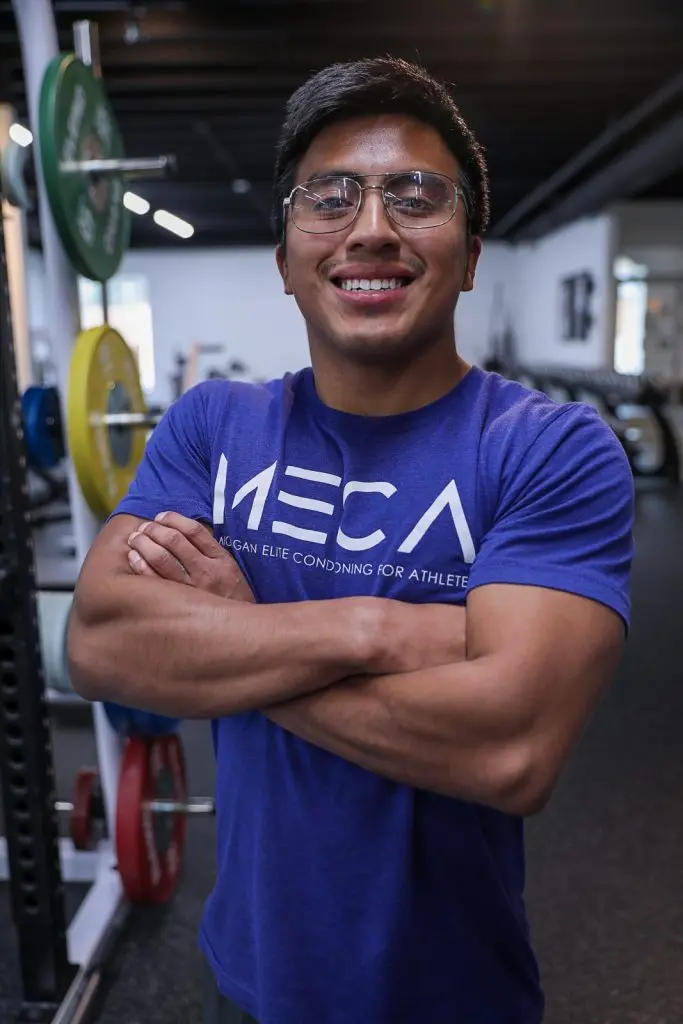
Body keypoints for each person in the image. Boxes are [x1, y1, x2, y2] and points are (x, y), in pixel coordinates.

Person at [67, 56, 634, 1024]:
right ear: (285, 257)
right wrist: (377, 628)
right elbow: (103, 643)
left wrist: (241, 631)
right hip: (243, 975)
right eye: (328, 198)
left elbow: (510, 750)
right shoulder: (213, 426)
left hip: (449, 994)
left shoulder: (548, 447)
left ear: (469, 251)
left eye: (416, 195)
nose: (370, 227)